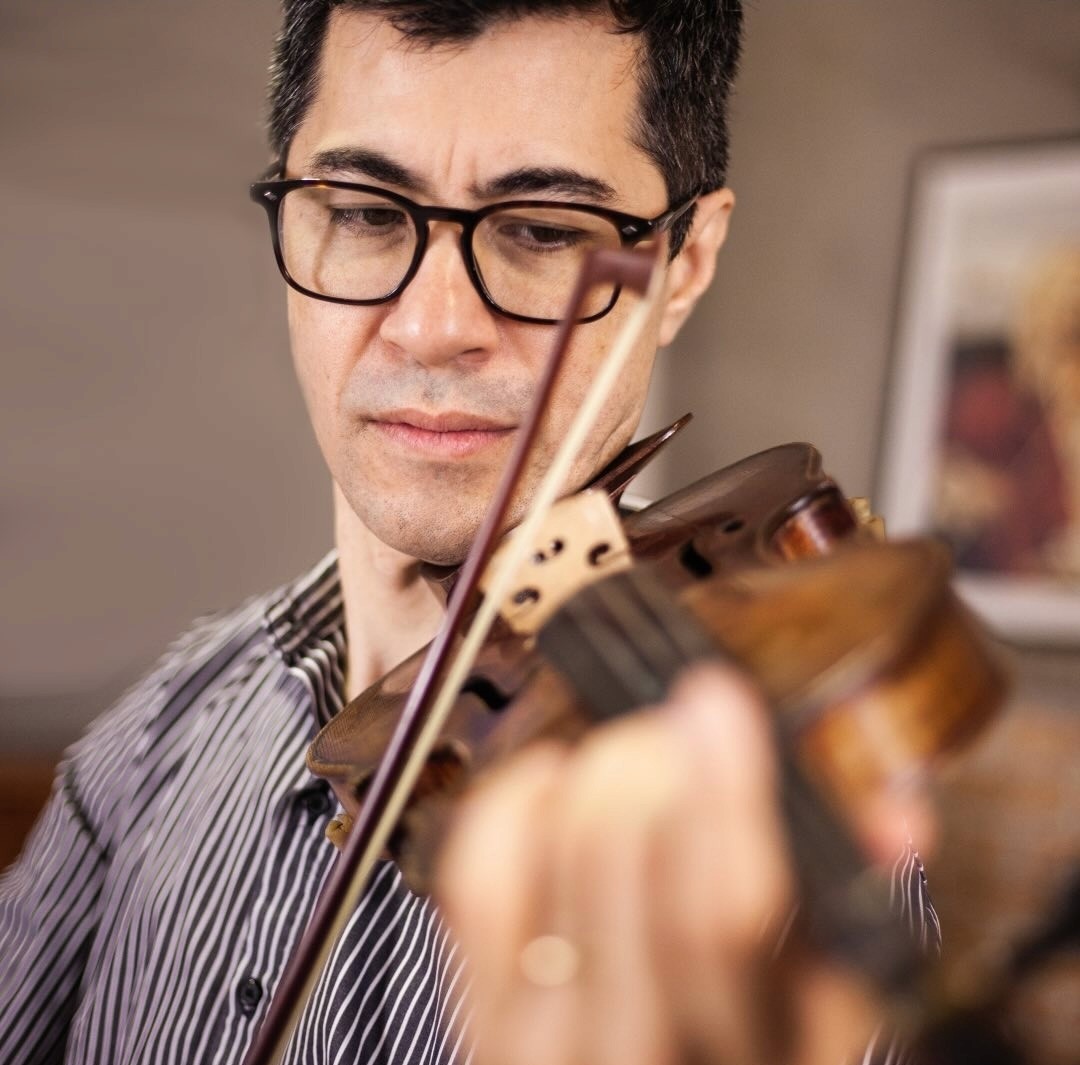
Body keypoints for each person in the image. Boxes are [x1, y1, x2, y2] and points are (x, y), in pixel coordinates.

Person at [0, 3, 937, 1064]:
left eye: (545, 230)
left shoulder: (757, 833)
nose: (434, 326)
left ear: (683, 266)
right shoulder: (151, 738)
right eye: (365, 212)